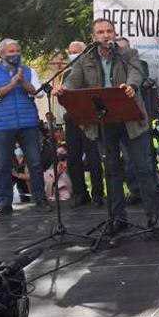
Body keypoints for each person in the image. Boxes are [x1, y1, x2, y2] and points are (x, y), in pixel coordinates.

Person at [55, 19, 159, 232]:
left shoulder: (127, 54)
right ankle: (118, 218)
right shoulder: (84, 60)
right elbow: (72, 81)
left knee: (144, 168)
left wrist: (131, 86)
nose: (106, 35)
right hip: (103, 123)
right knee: (112, 172)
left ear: (114, 34)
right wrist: (63, 89)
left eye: (109, 31)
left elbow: (135, 75)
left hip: (131, 120)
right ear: (93, 37)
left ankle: (153, 218)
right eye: (101, 32)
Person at [0, 38, 48, 218]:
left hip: (28, 123)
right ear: (1, 54)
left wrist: (23, 82)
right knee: (3, 165)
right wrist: (11, 84)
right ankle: (5, 204)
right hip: (4, 125)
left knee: (35, 162)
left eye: (17, 51)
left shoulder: (29, 71)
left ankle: (40, 199)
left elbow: (39, 94)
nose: (15, 54)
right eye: (11, 52)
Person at [62, 41, 104, 208]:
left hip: (90, 118)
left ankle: (97, 193)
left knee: (93, 157)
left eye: (76, 51)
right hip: (72, 118)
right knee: (73, 157)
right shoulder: (66, 74)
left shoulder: (92, 69)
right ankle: (80, 192)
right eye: (70, 52)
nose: (73, 54)